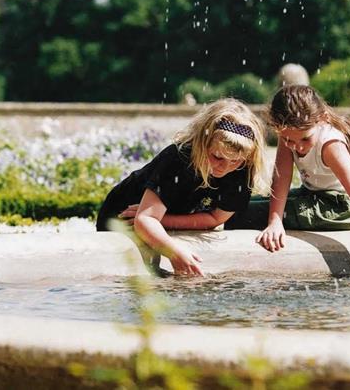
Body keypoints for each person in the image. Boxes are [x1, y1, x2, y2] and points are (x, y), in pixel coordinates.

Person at [227, 85, 350, 277]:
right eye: (289, 140)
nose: (298, 147)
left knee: (241, 214)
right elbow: (282, 177)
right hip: (316, 195)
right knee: (239, 204)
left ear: (321, 120)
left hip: (344, 206)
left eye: (305, 139)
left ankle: (205, 217)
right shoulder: (290, 132)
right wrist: (275, 221)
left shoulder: (331, 145)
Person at [96, 98, 269, 276]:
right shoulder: (178, 159)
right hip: (122, 216)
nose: (225, 167)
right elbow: (144, 220)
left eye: (235, 161)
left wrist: (163, 220)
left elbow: (215, 218)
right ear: (202, 143)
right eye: (217, 157)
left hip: (160, 216)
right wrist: (174, 251)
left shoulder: (242, 168)